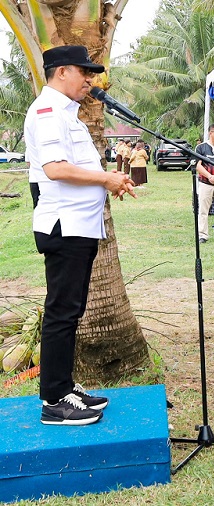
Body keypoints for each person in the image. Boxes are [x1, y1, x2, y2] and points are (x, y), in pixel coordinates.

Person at [27, 45, 134, 425]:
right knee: (62, 311)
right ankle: (54, 401)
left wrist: (108, 182)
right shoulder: (48, 111)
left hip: (80, 227)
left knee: (70, 312)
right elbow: (55, 169)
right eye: (83, 71)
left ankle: (65, 387)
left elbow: (77, 168)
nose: (89, 79)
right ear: (60, 72)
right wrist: (106, 177)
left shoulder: (65, 113)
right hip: (64, 228)